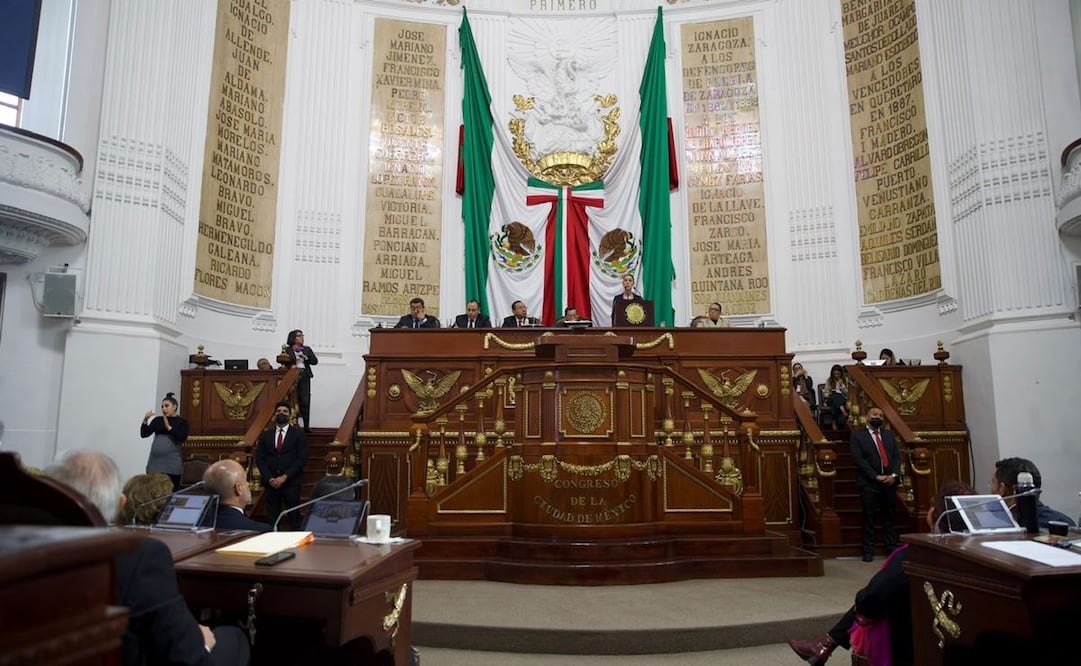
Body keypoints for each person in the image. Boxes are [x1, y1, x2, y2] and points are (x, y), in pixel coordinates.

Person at [47, 450, 250, 666]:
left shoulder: (24, 554)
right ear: (120, 505)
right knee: (235, 638)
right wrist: (203, 643)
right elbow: (183, 655)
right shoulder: (141, 556)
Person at [787, 481, 975, 666]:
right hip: (963, 638)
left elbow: (872, 596)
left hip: (913, 640)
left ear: (936, 516)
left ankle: (826, 643)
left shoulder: (917, 553)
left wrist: (864, 607)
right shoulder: (979, 553)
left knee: (875, 599)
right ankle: (827, 643)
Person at [850, 406, 901, 562]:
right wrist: (875, 476)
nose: (877, 416)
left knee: (889, 517)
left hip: (889, 483)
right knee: (869, 518)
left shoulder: (889, 435)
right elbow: (859, 460)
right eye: (874, 414)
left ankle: (891, 550)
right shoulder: (858, 436)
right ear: (867, 416)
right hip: (869, 484)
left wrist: (893, 475)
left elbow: (896, 457)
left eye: (880, 414)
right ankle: (868, 551)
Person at [255, 401, 309, 530]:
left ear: (290, 415)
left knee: (294, 516)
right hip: (271, 483)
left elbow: (301, 458)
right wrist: (269, 478)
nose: (281, 413)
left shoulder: (298, 434)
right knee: (273, 517)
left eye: (284, 411)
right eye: (278, 411)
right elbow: (260, 458)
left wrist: (285, 477)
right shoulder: (266, 434)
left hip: (291, 482)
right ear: (274, 415)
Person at [991, 457, 1076, 529]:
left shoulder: (1000, 526)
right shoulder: (1064, 521)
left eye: (992, 483)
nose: (991, 488)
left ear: (1002, 489)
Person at [202, 459, 270, 532]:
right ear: (238, 488)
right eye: (245, 480)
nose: (248, 484)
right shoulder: (261, 532)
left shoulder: (193, 524)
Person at [140, 392, 190, 490]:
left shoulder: (182, 422)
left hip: (172, 463)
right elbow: (144, 434)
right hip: (155, 463)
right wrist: (145, 420)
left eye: (167, 406)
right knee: (152, 491)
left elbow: (182, 438)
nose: (164, 409)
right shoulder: (158, 420)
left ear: (175, 407)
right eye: (162, 406)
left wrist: (169, 428)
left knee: (170, 491)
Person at [285, 329, 318, 432]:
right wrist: (291, 365)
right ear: (293, 338)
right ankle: (292, 423)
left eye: (302, 335)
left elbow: (315, 361)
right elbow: (283, 361)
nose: (302, 337)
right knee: (292, 399)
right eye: (299, 335)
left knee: (305, 400)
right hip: (292, 376)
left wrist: (306, 357)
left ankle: (306, 425)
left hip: (304, 375)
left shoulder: (307, 349)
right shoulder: (287, 350)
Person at [824, 364, 848, 430]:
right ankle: (843, 410)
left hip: (842, 399)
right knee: (835, 395)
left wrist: (842, 385)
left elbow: (847, 393)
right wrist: (829, 392)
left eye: (838, 373)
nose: (836, 375)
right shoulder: (829, 380)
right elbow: (825, 393)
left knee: (836, 401)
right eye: (835, 374)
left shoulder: (845, 380)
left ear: (841, 373)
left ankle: (834, 422)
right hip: (830, 398)